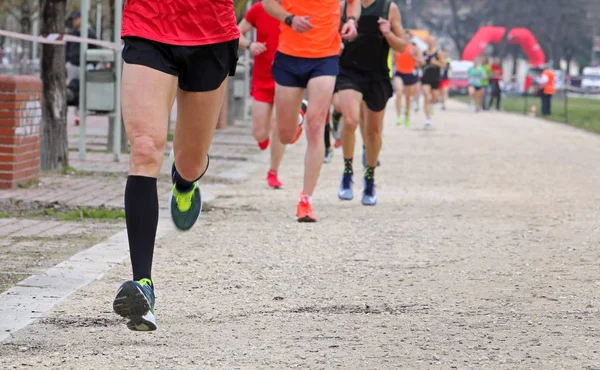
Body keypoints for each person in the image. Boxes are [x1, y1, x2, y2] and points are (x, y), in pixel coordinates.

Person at [111, 0, 240, 331]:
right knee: (144, 147)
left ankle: (184, 182)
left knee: (190, 160)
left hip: (209, 30)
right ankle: (144, 285)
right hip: (149, 22)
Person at [263, 0, 360, 222]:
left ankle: (306, 200)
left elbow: (354, 4)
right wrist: (289, 18)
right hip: (289, 55)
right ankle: (298, 118)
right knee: (285, 135)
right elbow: (267, 3)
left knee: (316, 127)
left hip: (325, 56)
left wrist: (352, 21)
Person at [336, 0, 406, 206]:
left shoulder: (388, 8)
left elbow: (402, 46)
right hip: (349, 72)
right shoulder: (344, 7)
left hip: (377, 76)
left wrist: (388, 33)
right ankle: (347, 173)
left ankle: (369, 178)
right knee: (350, 121)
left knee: (373, 132)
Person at [237, 1, 306, 188]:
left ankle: (273, 172)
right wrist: (250, 45)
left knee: (278, 125)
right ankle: (295, 117)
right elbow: (236, 33)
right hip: (262, 77)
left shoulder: (296, 8)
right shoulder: (259, 9)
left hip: (287, 77)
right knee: (259, 133)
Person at [65, 11, 98, 126]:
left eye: (76, 19)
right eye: (73, 19)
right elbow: (66, 49)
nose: (74, 21)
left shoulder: (90, 34)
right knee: (72, 90)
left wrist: (92, 64)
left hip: (86, 67)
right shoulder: (72, 34)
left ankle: (80, 113)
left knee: (84, 91)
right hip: (73, 66)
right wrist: (66, 63)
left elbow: (96, 50)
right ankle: (76, 113)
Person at [393, 31, 423, 127]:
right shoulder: (397, 48)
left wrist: (414, 56)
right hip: (399, 73)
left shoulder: (414, 49)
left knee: (408, 98)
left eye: (407, 38)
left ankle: (407, 115)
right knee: (399, 92)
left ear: (410, 39)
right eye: (403, 37)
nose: (405, 40)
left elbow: (422, 62)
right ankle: (398, 116)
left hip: (410, 74)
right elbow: (394, 60)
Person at [421, 36, 442, 128]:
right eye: (428, 41)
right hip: (425, 78)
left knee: (434, 98)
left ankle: (432, 106)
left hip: (435, 78)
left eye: (431, 41)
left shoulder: (438, 53)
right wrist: (419, 62)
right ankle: (427, 118)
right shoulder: (424, 53)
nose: (429, 43)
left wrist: (436, 63)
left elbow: (444, 65)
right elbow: (420, 64)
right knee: (426, 96)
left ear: (434, 42)